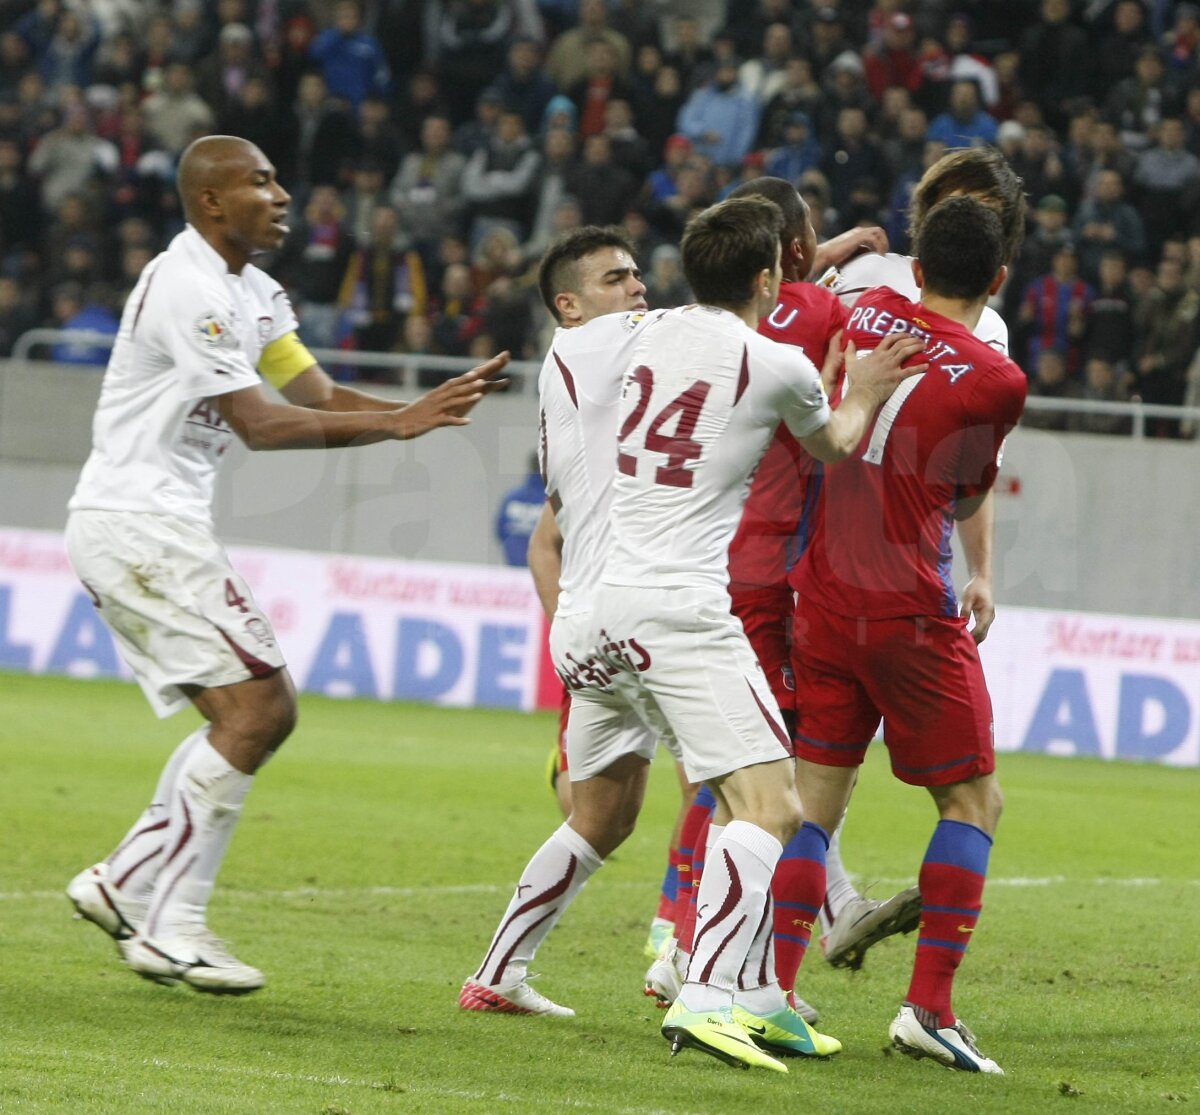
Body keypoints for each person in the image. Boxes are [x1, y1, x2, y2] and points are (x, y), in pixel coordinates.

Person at [463, 196, 925, 1073]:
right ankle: (711, 990)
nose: (629, 287)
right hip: (676, 611)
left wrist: (788, 257)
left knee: (604, 813)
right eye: (615, 278)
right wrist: (862, 385)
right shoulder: (777, 360)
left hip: (587, 622)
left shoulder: (617, 338)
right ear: (770, 277)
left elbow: (704, 294)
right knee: (772, 804)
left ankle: (508, 970)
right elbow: (833, 442)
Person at [64, 135, 508, 994]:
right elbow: (260, 426)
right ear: (210, 202)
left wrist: (418, 407)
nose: (281, 195)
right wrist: (397, 426)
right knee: (259, 710)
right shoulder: (189, 288)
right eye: (259, 183)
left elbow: (313, 395)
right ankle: (170, 924)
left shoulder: (253, 292)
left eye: (277, 180)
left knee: (248, 710)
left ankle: (124, 881)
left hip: (155, 525)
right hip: (139, 523)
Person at [786, 195, 1028, 1074]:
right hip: (908, 608)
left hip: (822, 591)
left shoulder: (864, 310)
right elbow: (965, 493)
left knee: (813, 804)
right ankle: (928, 1008)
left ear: (915, 269)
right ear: (998, 281)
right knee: (974, 802)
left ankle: (775, 994)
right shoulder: (998, 378)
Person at [495, 452, 546, 567]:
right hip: (542, 574)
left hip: (513, 569)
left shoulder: (512, 497)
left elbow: (500, 530)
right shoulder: (551, 502)